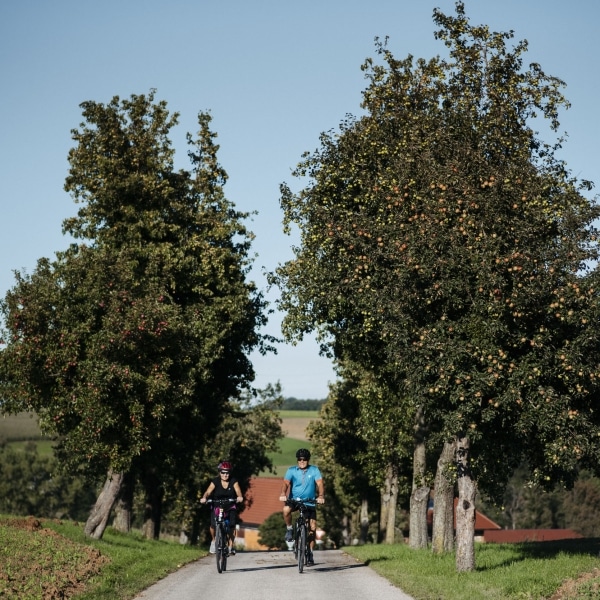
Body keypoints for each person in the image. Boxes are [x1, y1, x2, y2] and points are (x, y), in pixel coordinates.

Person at [279, 448, 325, 566]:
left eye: (304, 459)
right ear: (297, 460)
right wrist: (283, 493)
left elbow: (319, 483)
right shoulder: (292, 470)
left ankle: (309, 552)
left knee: (312, 527)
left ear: (308, 460)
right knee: (286, 510)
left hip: (309, 502)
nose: (302, 461)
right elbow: (285, 483)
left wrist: (320, 495)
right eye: (299, 459)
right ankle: (289, 529)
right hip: (294, 500)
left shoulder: (314, 470)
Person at [200, 461, 243, 555]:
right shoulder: (215, 481)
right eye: (223, 472)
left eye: (227, 472)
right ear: (220, 472)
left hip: (230, 505)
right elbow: (208, 491)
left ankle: (231, 546)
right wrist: (204, 498)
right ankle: (213, 541)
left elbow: (238, 491)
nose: (225, 475)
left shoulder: (233, 481)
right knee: (213, 525)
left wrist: (239, 497)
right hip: (217, 505)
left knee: (232, 526)